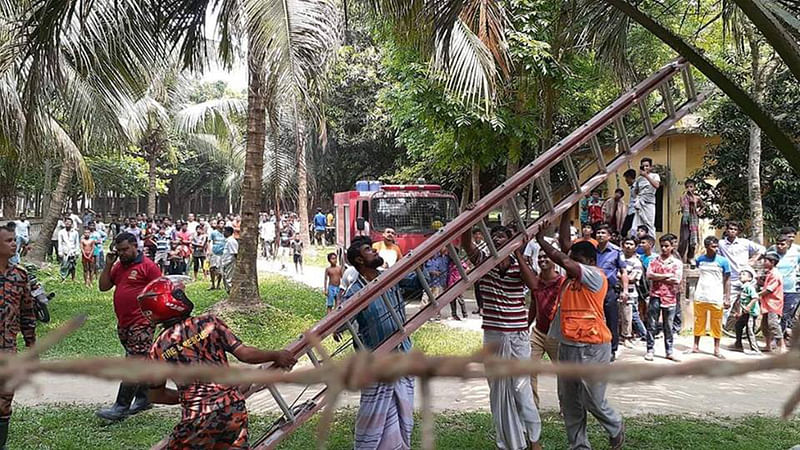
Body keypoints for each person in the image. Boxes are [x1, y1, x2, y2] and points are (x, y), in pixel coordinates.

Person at [142, 277, 296, 448]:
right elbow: (245, 354)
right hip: (233, 410)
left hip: (198, 418)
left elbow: (156, 395)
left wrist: (190, 396)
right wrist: (276, 355)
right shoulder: (209, 323)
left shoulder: (158, 349)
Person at [536, 212, 625, 450]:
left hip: (592, 346)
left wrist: (541, 240)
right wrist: (567, 214)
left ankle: (615, 425)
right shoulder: (574, 276)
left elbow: (565, 260)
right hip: (568, 345)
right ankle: (579, 446)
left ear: (588, 260)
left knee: (592, 399)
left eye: (576, 259)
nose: (570, 262)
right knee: (570, 401)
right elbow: (566, 248)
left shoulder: (595, 275)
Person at [462, 222, 542, 450]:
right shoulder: (484, 263)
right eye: (494, 236)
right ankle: (507, 442)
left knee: (521, 389)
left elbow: (534, 285)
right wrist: (470, 218)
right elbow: (466, 243)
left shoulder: (521, 265)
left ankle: (534, 439)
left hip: (517, 335)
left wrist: (517, 251)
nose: (497, 239)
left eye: (503, 236)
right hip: (494, 335)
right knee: (497, 390)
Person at [341, 239, 415, 450]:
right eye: (368, 250)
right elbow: (339, 323)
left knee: (403, 417)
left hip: (403, 356)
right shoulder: (355, 291)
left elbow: (417, 282)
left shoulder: (390, 277)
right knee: (372, 419)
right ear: (359, 260)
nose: (374, 250)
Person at [96, 232, 162, 421]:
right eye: (119, 250)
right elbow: (103, 286)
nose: (122, 253)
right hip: (124, 322)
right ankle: (144, 397)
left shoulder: (148, 267)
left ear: (135, 246)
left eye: (125, 249)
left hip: (142, 322)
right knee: (139, 360)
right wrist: (108, 264)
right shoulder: (118, 266)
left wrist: (156, 317)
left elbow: (161, 289)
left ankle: (120, 407)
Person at [0, 225, 36, 448]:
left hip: (8, 350)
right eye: (8, 241)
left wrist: (32, 346)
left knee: (4, 401)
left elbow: (27, 313)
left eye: (14, 240)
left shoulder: (20, 276)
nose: (14, 243)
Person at [526, 250, 564, 408]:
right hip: (538, 332)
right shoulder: (536, 281)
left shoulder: (562, 282)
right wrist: (526, 325)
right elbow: (534, 305)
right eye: (540, 257)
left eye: (545, 256)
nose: (542, 259)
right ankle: (532, 406)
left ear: (554, 260)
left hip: (556, 334)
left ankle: (565, 406)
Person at [690, 236, 731, 358]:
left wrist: (727, 297)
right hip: (701, 295)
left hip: (716, 296)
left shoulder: (723, 261)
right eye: (713, 246)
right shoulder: (700, 260)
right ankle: (696, 346)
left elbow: (728, 279)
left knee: (716, 323)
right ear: (707, 246)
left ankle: (716, 349)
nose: (716, 249)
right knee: (698, 321)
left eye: (717, 246)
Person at [644, 235, 682, 361]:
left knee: (668, 325)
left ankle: (669, 351)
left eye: (667, 246)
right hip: (655, 295)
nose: (664, 248)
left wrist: (658, 276)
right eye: (662, 246)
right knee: (652, 324)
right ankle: (650, 349)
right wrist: (666, 276)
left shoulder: (676, 262)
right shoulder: (654, 261)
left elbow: (676, 279)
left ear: (672, 247)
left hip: (670, 297)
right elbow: (649, 275)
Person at [594, 223, 628, 361]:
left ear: (609, 236)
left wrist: (625, 290)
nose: (600, 235)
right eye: (598, 233)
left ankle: (612, 349)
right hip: (593, 290)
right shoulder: (591, 250)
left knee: (611, 319)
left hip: (609, 290)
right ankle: (596, 347)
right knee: (595, 319)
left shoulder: (616, 251)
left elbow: (623, 271)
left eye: (603, 233)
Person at [620, 237, 646, 347]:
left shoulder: (637, 262)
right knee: (617, 316)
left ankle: (627, 337)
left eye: (631, 244)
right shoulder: (618, 258)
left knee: (628, 317)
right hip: (615, 291)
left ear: (635, 247)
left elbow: (632, 278)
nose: (628, 246)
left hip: (630, 293)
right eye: (626, 243)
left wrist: (620, 275)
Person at [774, 235, 800, 340]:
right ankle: (773, 338)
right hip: (774, 290)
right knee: (774, 316)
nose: (780, 246)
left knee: (785, 315)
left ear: (788, 244)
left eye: (782, 244)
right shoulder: (772, 255)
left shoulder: (796, 255)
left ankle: (778, 340)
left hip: (790, 290)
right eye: (778, 244)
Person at [760, 252, 785, 353]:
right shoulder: (769, 273)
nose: (764, 262)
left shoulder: (775, 274)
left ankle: (782, 344)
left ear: (772, 262)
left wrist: (758, 295)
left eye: (766, 261)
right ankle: (768, 345)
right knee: (765, 325)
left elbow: (770, 289)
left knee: (773, 324)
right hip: (767, 303)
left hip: (774, 303)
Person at [732, 268, 761, 354]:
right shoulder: (743, 288)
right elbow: (739, 301)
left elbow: (755, 297)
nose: (741, 276)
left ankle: (755, 349)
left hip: (751, 313)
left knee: (749, 330)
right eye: (740, 274)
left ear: (750, 278)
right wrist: (738, 312)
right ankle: (738, 345)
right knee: (738, 326)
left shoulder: (749, 287)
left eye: (743, 274)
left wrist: (748, 306)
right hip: (745, 313)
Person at [631, 157, 660, 237]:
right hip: (640, 202)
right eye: (643, 166)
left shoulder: (654, 176)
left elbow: (656, 185)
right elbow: (635, 191)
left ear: (651, 167)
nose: (645, 168)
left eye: (647, 166)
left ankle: (651, 242)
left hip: (649, 203)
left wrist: (646, 176)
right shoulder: (639, 178)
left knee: (649, 223)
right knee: (637, 224)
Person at [678, 180, 704, 262]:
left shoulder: (697, 198)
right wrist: (685, 203)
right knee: (684, 238)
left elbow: (703, 206)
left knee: (693, 239)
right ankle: (680, 256)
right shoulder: (683, 197)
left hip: (694, 219)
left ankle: (690, 256)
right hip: (686, 219)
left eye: (691, 187)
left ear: (694, 188)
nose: (689, 188)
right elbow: (682, 208)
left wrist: (699, 212)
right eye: (687, 187)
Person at [422, 248, 450, 320]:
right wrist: (431, 272)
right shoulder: (426, 261)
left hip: (437, 283)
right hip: (428, 283)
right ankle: (424, 314)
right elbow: (424, 271)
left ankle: (436, 314)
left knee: (436, 299)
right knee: (425, 299)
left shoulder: (438, 260)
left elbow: (443, 270)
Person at [57, 218, 80, 282]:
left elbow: (77, 243)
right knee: (64, 265)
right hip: (65, 251)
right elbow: (60, 242)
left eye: (69, 222)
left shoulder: (75, 232)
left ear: (72, 224)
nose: (68, 224)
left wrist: (77, 251)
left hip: (73, 251)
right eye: (66, 222)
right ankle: (63, 278)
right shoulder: (61, 232)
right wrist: (60, 251)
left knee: (73, 266)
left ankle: (73, 278)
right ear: (64, 223)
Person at [208, 221, 226, 290]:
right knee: (212, 268)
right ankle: (213, 284)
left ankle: (218, 284)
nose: (222, 225)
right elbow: (209, 242)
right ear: (218, 225)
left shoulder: (225, 233)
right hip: (214, 252)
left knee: (221, 270)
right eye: (221, 223)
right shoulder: (213, 233)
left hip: (222, 253)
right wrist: (209, 250)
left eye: (223, 223)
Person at [620, 169, 637, 237]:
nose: (626, 181)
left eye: (626, 178)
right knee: (624, 231)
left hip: (634, 212)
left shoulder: (637, 187)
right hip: (630, 211)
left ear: (629, 177)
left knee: (627, 231)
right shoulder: (632, 187)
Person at [221, 226, 238, 292]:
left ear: (228, 232)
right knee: (225, 278)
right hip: (226, 263)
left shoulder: (231, 241)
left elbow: (235, 253)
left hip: (230, 263)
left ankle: (231, 292)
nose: (223, 233)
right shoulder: (228, 241)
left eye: (224, 231)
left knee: (229, 279)